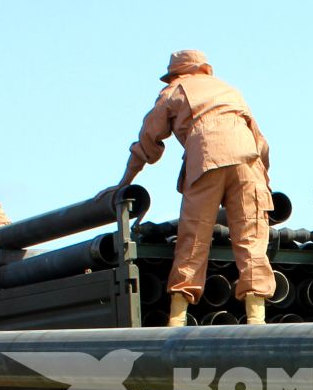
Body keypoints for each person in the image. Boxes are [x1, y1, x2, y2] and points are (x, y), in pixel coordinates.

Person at [117, 50, 275, 325]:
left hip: (206, 159)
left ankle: (177, 316)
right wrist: (264, 182)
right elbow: (261, 142)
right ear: (204, 69)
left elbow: (147, 142)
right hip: (248, 162)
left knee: (194, 236)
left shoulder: (174, 90)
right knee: (251, 238)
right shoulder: (230, 90)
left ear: (176, 74)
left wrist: (124, 182)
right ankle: (256, 316)